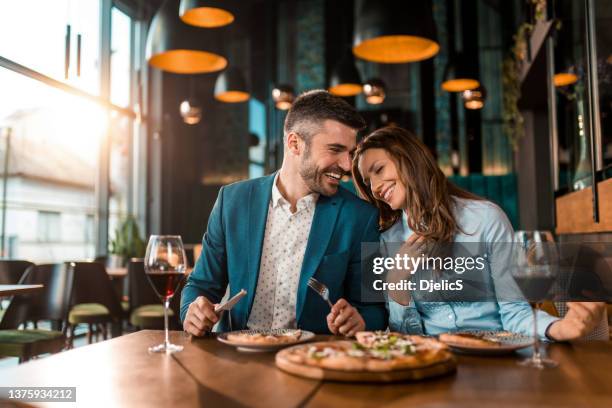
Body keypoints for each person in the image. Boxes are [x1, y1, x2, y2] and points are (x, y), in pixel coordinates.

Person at [351, 125, 605, 341]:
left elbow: (515, 312)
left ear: (408, 158)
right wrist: (398, 280)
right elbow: (406, 336)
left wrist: (560, 328)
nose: (373, 188)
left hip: (497, 357)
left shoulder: (485, 219)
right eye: (367, 180)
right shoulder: (386, 240)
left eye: (379, 169)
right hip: (434, 363)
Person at [181, 90, 387, 337]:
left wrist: (360, 320)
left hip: (313, 359)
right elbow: (200, 285)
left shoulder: (362, 217)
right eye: (335, 149)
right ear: (294, 143)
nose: (346, 165)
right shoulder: (231, 201)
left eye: (350, 153)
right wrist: (192, 310)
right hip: (238, 354)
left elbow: (376, 309)